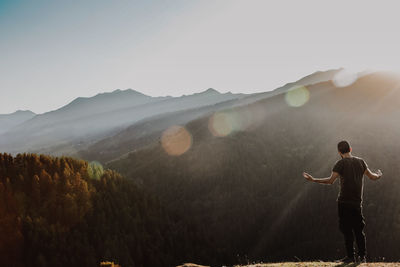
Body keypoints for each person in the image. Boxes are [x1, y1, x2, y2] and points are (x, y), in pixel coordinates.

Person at [302, 140, 382, 263]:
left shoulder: (340, 164)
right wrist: (379, 175)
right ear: (350, 149)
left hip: (344, 202)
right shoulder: (361, 162)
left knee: (347, 229)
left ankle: (350, 257)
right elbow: (372, 177)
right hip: (356, 203)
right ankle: (362, 257)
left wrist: (313, 180)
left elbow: (330, 181)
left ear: (339, 152)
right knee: (359, 230)